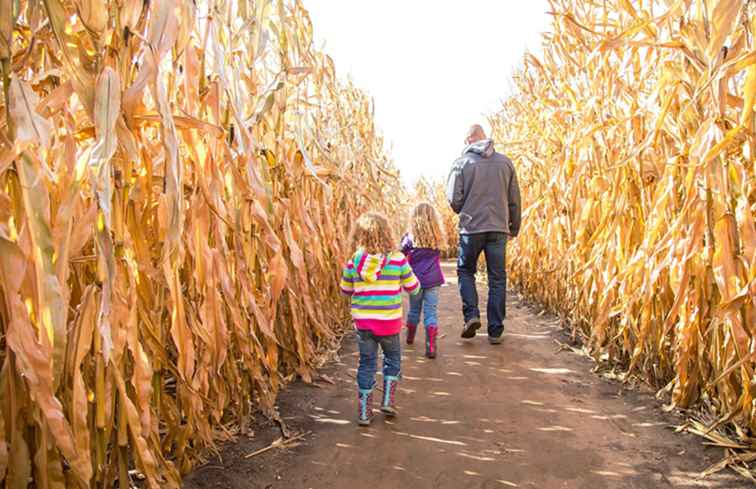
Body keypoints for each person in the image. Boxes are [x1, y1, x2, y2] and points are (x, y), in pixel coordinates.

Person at [340, 212, 420, 426]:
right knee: (392, 360)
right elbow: (413, 287)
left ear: (359, 235)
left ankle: (365, 413)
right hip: (389, 322)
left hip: (364, 324)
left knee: (366, 363)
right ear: (387, 233)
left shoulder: (353, 261)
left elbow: (345, 290)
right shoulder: (397, 259)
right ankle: (387, 400)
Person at [446, 124, 521, 344]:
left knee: (465, 270)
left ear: (469, 140)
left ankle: (471, 315)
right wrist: (514, 226)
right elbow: (514, 198)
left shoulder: (462, 163)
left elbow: (453, 198)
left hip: (471, 228)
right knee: (497, 278)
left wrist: (463, 208)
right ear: (485, 138)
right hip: (498, 228)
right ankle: (495, 331)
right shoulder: (505, 163)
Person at [400, 202, 446, 358]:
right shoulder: (437, 236)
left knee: (414, 310)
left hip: (415, 281)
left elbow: (400, 253)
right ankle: (431, 347)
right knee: (430, 312)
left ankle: (410, 337)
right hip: (433, 280)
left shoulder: (409, 238)